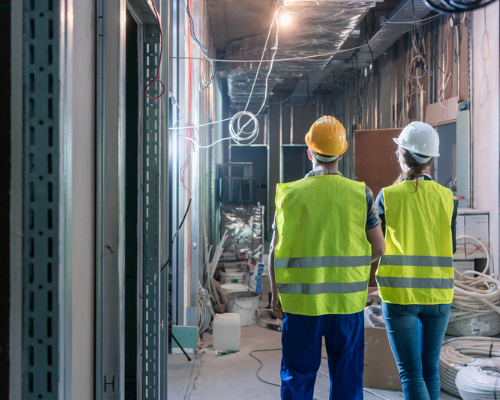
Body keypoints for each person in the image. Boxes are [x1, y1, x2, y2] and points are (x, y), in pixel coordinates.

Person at [269, 116, 385, 400]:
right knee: (347, 380)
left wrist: (275, 295)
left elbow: (274, 252)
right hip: (346, 305)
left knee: (297, 377)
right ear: (341, 153)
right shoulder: (362, 194)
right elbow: (379, 249)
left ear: (310, 152)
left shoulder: (289, 195)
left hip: (301, 305)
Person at [375, 121, 457, 400]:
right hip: (439, 293)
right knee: (429, 370)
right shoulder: (448, 198)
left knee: (411, 373)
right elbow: (452, 247)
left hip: (401, 294)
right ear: (432, 159)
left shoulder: (388, 196)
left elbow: (376, 245)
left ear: (401, 153)